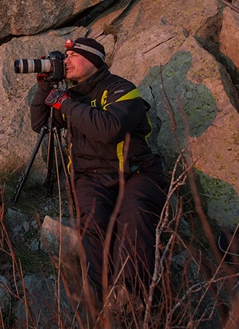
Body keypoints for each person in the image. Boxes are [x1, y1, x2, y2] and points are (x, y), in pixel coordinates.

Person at [30, 37, 168, 308]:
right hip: (90, 177)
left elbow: (109, 130)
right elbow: (40, 124)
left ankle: (133, 299)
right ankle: (102, 305)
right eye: (65, 57)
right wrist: (44, 88)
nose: (66, 61)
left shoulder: (122, 89)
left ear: (93, 60)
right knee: (93, 227)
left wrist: (64, 103)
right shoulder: (71, 96)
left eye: (73, 56)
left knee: (134, 220)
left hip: (136, 174)